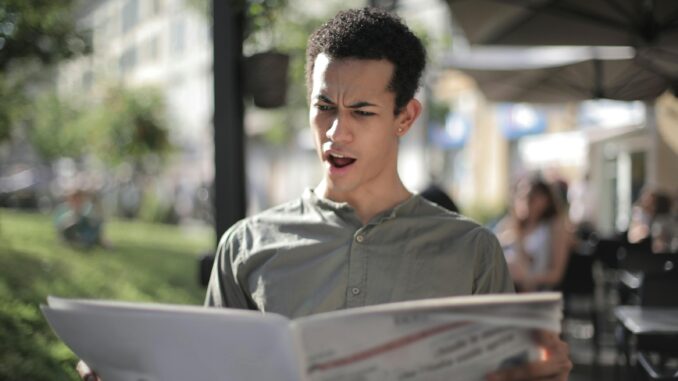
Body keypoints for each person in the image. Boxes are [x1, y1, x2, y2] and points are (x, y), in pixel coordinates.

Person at [78, 8, 571, 381]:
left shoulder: (471, 251)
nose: (336, 133)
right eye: (324, 107)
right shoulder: (245, 246)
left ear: (405, 117)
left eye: (361, 111)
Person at [495, 178, 572, 292]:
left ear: (546, 200)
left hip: (535, 291)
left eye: (532, 196)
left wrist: (525, 279)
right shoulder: (509, 224)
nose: (526, 201)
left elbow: (556, 275)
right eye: (520, 196)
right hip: (506, 288)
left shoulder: (554, 226)